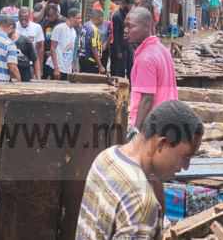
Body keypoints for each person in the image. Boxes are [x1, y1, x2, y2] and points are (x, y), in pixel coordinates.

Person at [77, 100, 203, 240]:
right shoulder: (141, 202)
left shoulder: (107, 157)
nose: (186, 167)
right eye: (185, 157)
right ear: (161, 144)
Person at [125, 8, 178, 130]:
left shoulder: (146, 58)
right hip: (168, 120)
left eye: (130, 26)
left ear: (146, 27)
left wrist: (135, 131)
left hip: (152, 128)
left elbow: (147, 99)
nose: (126, 31)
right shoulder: (161, 49)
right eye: (125, 26)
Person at [46, 8, 81, 80]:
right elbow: (52, 47)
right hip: (56, 67)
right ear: (71, 18)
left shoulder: (74, 31)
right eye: (78, 18)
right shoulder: (59, 28)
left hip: (67, 69)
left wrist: (73, 68)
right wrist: (56, 68)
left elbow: (72, 51)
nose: (80, 20)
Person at [16, 6, 44, 80]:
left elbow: (40, 48)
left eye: (26, 19)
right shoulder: (14, 27)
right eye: (21, 19)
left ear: (30, 16)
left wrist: (39, 67)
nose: (23, 21)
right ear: (18, 16)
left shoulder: (36, 27)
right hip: (16, 63)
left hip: (31, 64)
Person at [39, 3, 65, 79]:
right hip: (45, 54)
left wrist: (52, 52)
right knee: (43, 76)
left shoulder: (63, 22)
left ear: (57, 12)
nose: (50, 18)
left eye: (52, 16)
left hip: (57, 56)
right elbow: (43, 37)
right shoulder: (46, 21)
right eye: (48, 16)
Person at [110, 0, 133, 78]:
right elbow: (115, 34)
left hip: (127, 45)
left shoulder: (127, 14)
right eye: (130, 5)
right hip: (119, 46)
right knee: (119, 70)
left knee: (130, 67)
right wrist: (118, 50)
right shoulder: (117, 16)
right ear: (125, 4)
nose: (131, 8)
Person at [78, 9, 105, 75]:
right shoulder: (94, 29)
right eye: (103, 18)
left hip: (82, 58)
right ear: (100, 18)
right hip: (90, 61)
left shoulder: (85, 25)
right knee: (90, 83)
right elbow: (94, 48)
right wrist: (100, 66)